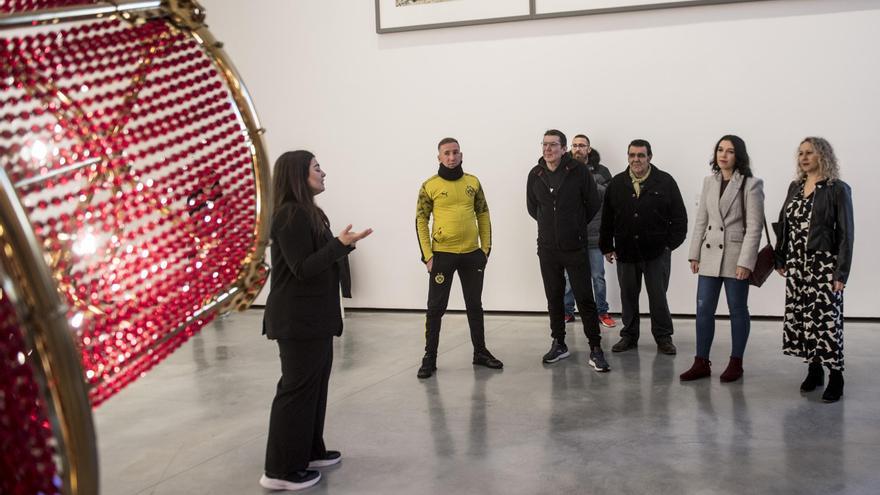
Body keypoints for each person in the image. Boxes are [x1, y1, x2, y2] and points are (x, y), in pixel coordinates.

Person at [260, 150, 372, 491]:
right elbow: (302, 268)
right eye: (316, 168)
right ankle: (280, 470)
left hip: (313, 319)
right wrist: (338, 245)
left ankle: (308, 452)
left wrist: (340, 245)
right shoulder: (289, 216)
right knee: (296, 391)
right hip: (297, 320)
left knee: (314, 388)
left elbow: (315, 261)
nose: (323, 173)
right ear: (297, 174)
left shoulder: (308, 213)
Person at [415, 137, 503, 379]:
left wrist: (485, 249)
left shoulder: (473, 182)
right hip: (442, 255)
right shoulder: (429, 186)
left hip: (472, 255)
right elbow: (421, 220)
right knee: (435, 308)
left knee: (475, 305)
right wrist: (428, 256)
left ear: (461, 155)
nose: (451, 157)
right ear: (439, 157)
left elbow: (483, 214)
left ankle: (480, 353)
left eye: (455, 153)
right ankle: (429, 357)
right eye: (447, 153)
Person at [773, 137, 853, 403]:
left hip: (823, 266)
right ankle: (814, 369)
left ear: (823, 156)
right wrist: (780, 256)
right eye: (801, 153)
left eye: (810, 153)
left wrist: (840, 273)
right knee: (803, 318)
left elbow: (845, 234)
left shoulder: (837, 189)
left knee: (826, 322)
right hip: (797, 265)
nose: (803, 158)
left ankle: (836, 375)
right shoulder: (794, 187)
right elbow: (785, 223)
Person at [680, 135, 764, 382]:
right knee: (703, 309)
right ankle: (701, 361)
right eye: (720, 150)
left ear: (739, 155)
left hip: (736, 256)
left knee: (737, 310)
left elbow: (754, 227)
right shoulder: (709, 182)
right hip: (709, 253)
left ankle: (736, 362)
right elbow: (701, 221)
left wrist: (746, 262)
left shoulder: (751, 184)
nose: (723, 155)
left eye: (729, 151)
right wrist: (694, 254)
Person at [527, 129, 610, 372]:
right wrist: (551, 226)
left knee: (585, 298)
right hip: (548, 248)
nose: (548, 149)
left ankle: (595, 348)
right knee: (554, 297)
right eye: (544, 144)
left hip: (574, 245)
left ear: (564, 149)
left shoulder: (578, 171)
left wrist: (573, 223)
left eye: (553, 145)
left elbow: (593, 203)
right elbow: (533, 207)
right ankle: (559, 343)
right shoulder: (536, 174)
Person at [600, 139, 687, 355]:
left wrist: (668, 246)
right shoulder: (617, 183)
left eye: (641, 155)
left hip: (656, 253)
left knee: (658, 296)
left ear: (649, 157)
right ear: (628, 156)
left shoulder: (665, 181)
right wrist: (606, 246)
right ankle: (629, 336)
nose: (636, 159)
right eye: (632, 155)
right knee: (628, 297)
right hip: (626, 251)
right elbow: (607, 218)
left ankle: (664, 337)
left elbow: (679, 218)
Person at [562, 134, 617, 329]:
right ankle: (567, 312)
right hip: (572, 235)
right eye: (575, 145)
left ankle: (602, 312)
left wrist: (588, 184)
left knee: (598, 277)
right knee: (569, 278)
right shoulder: (564, 169)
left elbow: (611, 196)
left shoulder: (602, 171)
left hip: (595, 235)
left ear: (589, 149)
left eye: (582, 145)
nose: (578, 149)